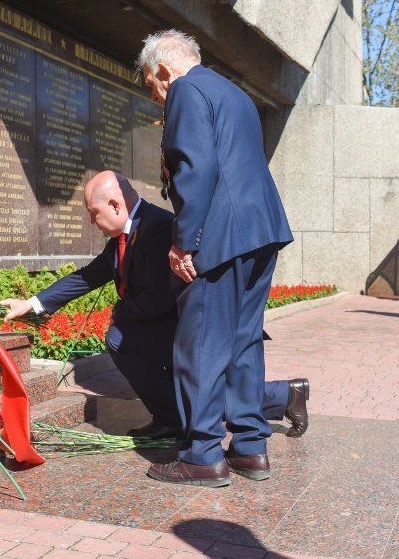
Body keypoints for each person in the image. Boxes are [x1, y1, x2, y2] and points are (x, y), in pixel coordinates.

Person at [0, 171, 309, 440]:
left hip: (188, 326)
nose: (92, 221)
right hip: (170, 326)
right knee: (194, 391)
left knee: (127, 345)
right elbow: (89, 276)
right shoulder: (128, 234)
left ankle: (176, 416)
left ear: (115, 205)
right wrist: (32, 304)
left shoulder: (157, 228)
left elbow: (160, 296)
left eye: (93, 212)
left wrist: (119, 313)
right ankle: (282, 395)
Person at [138, 30, 294, 487]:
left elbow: (198, 167)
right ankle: (249, 447)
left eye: (152, 87)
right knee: (244, 340)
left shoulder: (186, 89)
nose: (157, 98)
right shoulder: (234, 93)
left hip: (221, 234)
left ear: (164, 71)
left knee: (200, 344)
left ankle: (202, 453)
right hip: (262, 229)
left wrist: (184, 241)